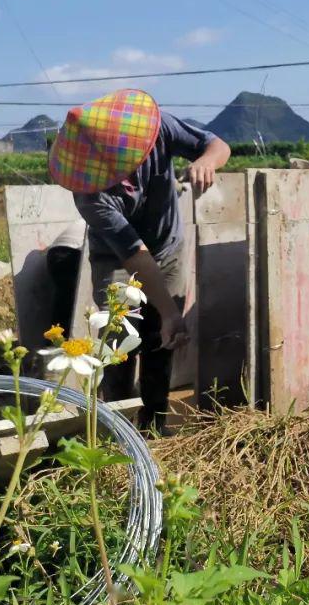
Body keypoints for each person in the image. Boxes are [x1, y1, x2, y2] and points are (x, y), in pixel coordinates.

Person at [48, 88, 231, 435]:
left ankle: (155, 426)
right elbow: (136, 257)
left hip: (169, 249)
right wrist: (169, 310)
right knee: (118, 344)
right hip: (117, 258)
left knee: (163, 341)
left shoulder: (158, 128)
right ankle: (121, 431)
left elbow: (219, 146)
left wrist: (206, 161)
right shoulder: (90, 196)